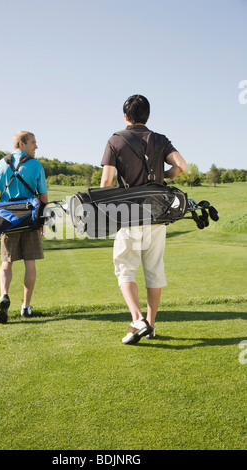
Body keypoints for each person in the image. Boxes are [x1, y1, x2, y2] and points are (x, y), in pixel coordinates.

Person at [100, 95, 187, 344]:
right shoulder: (160, 139)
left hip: (127, 214)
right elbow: (182, 166)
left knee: (125, 268)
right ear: (147, 116)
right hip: (157, 215)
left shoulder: (115, 140)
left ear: (126, 116)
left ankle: (138, 319)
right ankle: (151, 324)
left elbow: (106, 182)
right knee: (154, 270)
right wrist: (162, 177)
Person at [0, 131, 48, 324]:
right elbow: (44, 198)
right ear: (21, 144)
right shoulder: (36, 165)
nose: (36, 147)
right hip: (29, 219)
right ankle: (25, 307)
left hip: (7, 219)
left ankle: (3, 295)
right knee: (30, 262)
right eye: (33, 143)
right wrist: (43, 223)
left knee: (7, 262)